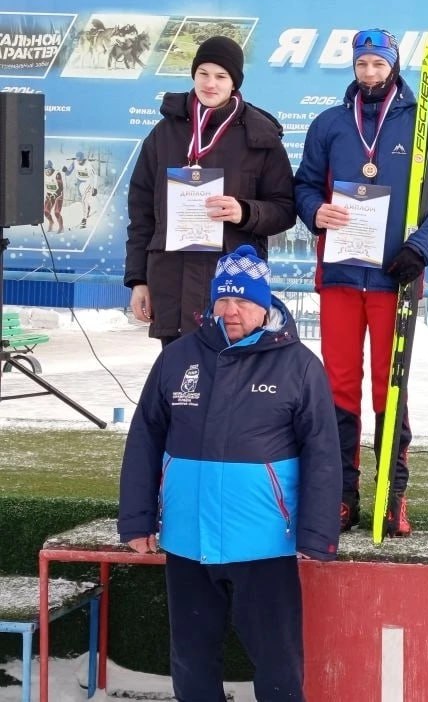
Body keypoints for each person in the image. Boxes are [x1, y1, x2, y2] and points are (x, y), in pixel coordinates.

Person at [118, 244, 341, 702]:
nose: (231, 310)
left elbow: (322, 452)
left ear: (265, 304)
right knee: (191, 662)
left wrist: (317, 533)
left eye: (242, 300)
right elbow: (144, 438)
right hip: (187, 539)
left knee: (278, 664)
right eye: (223, 299)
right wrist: (137, 520)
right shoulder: (178, 357)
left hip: (263, 542)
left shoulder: (299, 365)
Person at [294, 28, 428, 536]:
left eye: (379, 63)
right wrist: (315, 211)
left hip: (395, 280)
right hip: (340, 276)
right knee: (339, 385)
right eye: (362, 64)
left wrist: (421, 248)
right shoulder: (330, 124)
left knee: (388, 387)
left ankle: (393, 495)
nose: (370, 72)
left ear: (394, 66)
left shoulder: (425, 125)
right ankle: (341, 494)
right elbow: (304, 185)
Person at [125, 35, 295, 347]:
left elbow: (285, 209)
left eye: (221, 76)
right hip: (171, 284)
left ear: (234, 83)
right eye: (203, 73)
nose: (210, 84)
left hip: (233, 290)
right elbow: (142, 213)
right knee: (180, 372)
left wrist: (245, 211)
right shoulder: (164, 133)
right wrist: (138, 280)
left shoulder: (260, 136)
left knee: (230, 371)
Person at [42, 160, 64, 233]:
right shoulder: (43, 174)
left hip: (58, 195)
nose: (47, 172)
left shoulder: (57, 174)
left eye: (49, 170)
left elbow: (61, 187)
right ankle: (51, 222)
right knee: (46, 211)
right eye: (45, 170)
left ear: (51, 168)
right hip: (49, 194)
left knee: (56, 212)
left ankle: (61, 227)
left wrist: (55, 194)